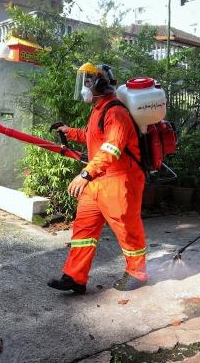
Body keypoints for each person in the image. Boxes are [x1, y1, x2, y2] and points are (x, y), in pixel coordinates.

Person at [47, 63, 149, 294]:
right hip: (99, 180)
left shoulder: (116, 112)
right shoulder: (98, 110)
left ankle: (138, 273)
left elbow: (111, 149)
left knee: (127, 229)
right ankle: (75, 277)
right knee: (83, 230)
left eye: (88, 82)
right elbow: (93, 137)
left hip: (120, 180)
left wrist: (85, 174)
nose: (84, 87)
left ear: (101, 84)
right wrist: (69, 131)